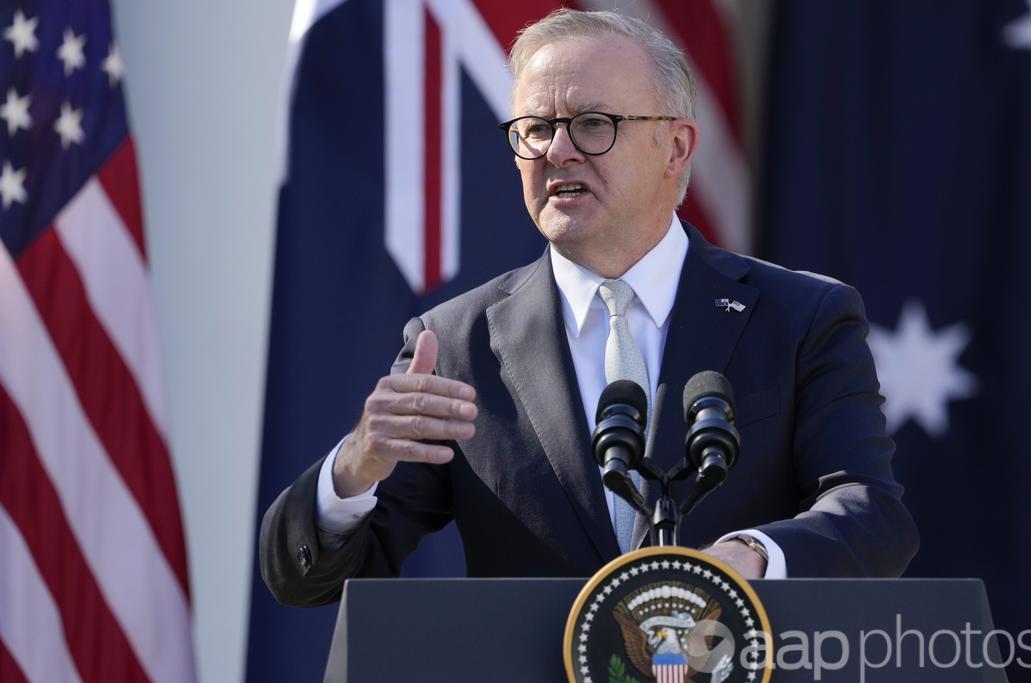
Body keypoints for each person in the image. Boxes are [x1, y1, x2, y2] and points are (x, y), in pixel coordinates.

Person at [260, 9, 918, 607]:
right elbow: (310, 580)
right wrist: (353, 470)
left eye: (593, 124)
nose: (557, 151)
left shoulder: (800, 317)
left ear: (678, 147)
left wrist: (746, 560)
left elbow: (870, 512)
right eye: (536, 129)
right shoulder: (457, 344)